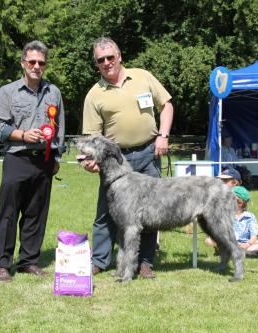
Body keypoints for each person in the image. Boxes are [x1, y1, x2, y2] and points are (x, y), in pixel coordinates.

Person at [81, 37, 174, 278]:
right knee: (106, 212)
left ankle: (145, 262)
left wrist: (163, 135)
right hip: (115, 161)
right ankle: (100, 261)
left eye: (110, 57)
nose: (106, 62)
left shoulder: (143, 76)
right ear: (97, 64)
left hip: (148, 151)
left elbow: (166, 105)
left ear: (119, 56)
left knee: (150, 213)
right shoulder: (94, 94)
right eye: (100, 60)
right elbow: (92, 136)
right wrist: (91, 161)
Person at [0, 40, 65, 282]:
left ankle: (28, 261)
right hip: (17, 158)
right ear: (23, 63)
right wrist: (21, 134)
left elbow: (60, 128)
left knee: (36, 213)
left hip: (44, 160)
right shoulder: (7, 92)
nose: (36, 66)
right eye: (31, 62)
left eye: (41, 62)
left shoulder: (54, 92)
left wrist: (57, 156)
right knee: (8, 213)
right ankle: (1, 264)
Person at [205, 186, 258, 258]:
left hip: (245, 244)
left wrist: (247, 244)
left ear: (243, 203)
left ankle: (242, 252)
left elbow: (254, 236)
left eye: (237, 202)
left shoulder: (250, 216)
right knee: (209, 240)